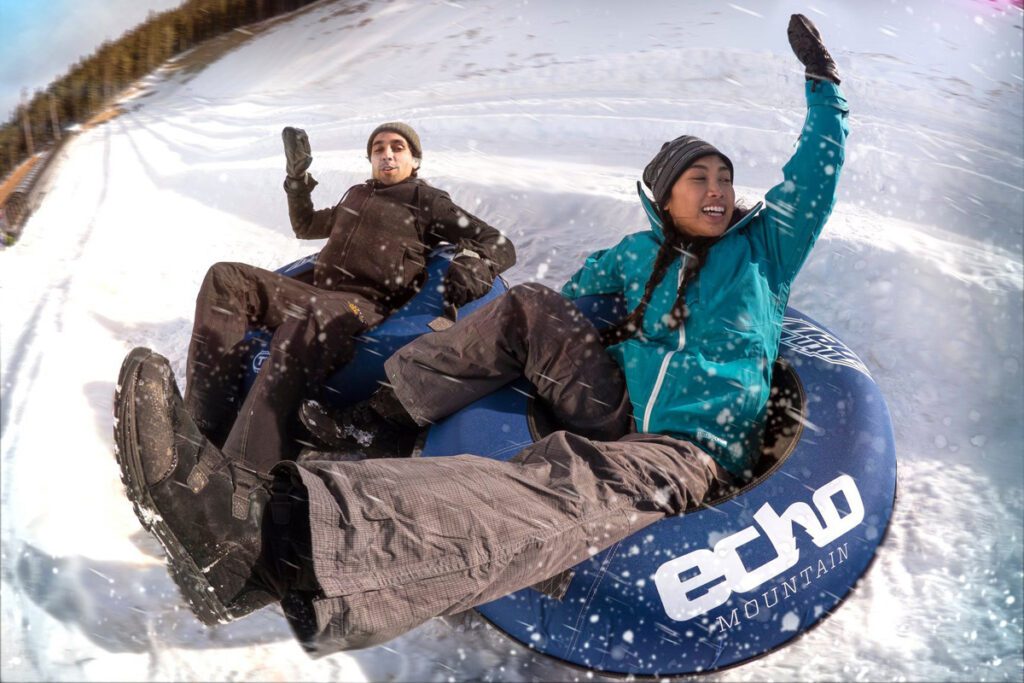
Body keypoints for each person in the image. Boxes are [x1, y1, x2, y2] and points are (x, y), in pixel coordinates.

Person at [112, 15, 848, 655]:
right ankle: (375, 420)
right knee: (529, 306)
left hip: (685, 448)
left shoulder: (762, 250)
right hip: (618, 401)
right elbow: (572, 294)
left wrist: (825, 89)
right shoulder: (635, 254)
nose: (718, 190)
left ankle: (262, 545)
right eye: (699, 179)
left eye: (723, 177)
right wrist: (590, 322)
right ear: (663, 197)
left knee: (571, 480)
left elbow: (816, 174)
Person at [181, 121, 515, 476]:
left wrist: (476, 263)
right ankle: (200, 423)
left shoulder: (425, 200)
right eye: (378, 148)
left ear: (415, 161)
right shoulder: (358, 194)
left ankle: (248, 471)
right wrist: (297, 181)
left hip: (363, 304)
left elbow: (497, 242)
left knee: (313, 311)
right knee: (225, 277)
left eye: (397, 147)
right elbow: (306, 226)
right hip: (317, 292)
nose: (386, 154)